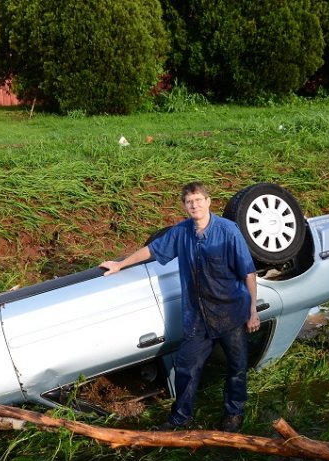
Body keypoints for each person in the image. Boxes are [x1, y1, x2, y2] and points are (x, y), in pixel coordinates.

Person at [99, 182, 260, 433]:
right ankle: (180, 418)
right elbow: (152, 250)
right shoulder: (181, 232)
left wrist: (252, 312)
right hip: (197, 317)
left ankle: (233, 414)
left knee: (237, 368)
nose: (194, 205)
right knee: (186, 367)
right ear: (185, 206)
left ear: (208, 201)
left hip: (231, 313)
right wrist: (121, 264)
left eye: (198, 200)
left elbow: (248, 272)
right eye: (189, 202)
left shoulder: (229, 231)